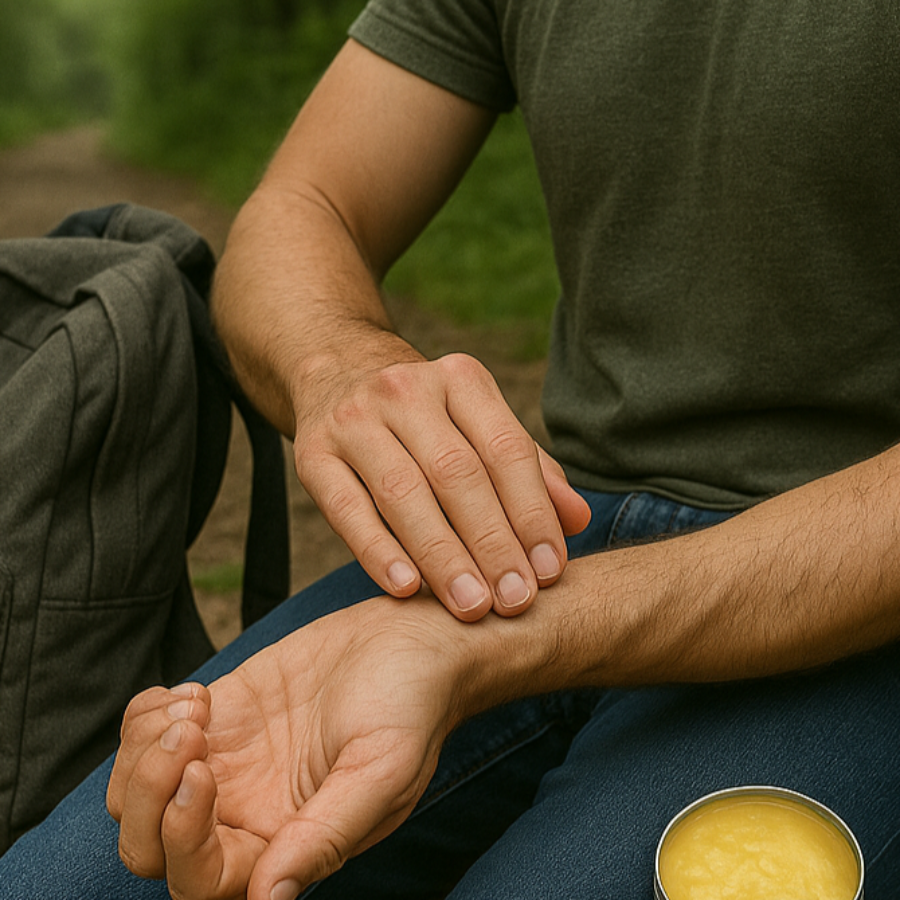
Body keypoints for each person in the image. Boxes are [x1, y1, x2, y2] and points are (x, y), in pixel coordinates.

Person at [3, 2, 900, 898]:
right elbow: (304, 204)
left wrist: (499, 644)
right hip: (551, 541)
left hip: (854, 604)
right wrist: (337, 363)